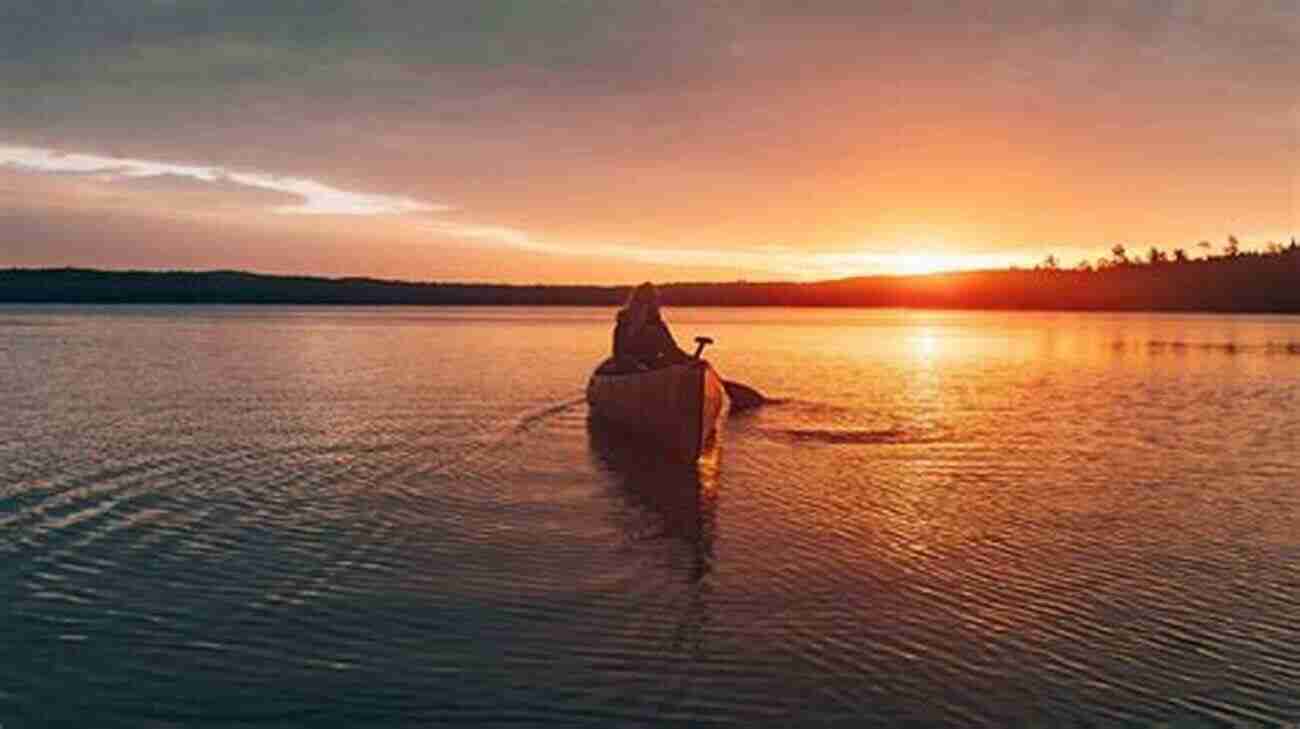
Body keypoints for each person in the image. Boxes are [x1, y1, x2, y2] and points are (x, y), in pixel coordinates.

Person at [612, 282, 692, 370]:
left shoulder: (657, 325)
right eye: (645, 302)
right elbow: (619, 354)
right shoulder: (624, 325)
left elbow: (671, 350)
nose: (656, 304)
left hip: (649, 367)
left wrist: (689, 359)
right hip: (630, 369)